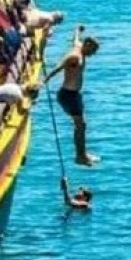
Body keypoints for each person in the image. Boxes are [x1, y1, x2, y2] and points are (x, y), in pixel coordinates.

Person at [43, 25, 100, 166]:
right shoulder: (75, 56)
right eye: (92, 51)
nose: (93, 55)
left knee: (81, 125)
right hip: (68, 95)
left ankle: (82, 155)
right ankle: (81, 156)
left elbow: (75, 39)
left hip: (73, 95)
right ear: (87, 45)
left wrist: (77, 30)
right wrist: (42, 82)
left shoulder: (79, 47)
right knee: (80, 126)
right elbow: (59, 66)